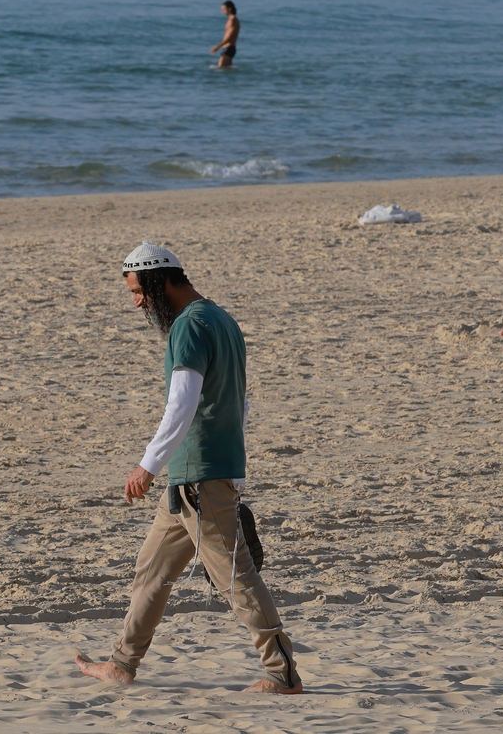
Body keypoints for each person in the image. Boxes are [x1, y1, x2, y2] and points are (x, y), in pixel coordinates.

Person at [75, 241, 302, 695]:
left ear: (161, 282)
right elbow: (240, 401)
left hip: (201, 476)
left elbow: (182, 403)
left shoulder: (190, 326)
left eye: (139, 291)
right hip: (192, 479)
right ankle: (122, 662)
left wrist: (147, 465)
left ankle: (283, 673)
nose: (137, 302)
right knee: (152, 569)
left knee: (237, 579)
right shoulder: (222, 319)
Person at [209, 1, 239, 69]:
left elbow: (229, 37)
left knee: (220, 69)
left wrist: (217, 46)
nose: (222, 11)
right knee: (227, 71)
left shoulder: (232, 20)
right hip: (229, 49)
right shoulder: (233, 20)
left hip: (229, 49)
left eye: (224, 9)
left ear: (229, 9)